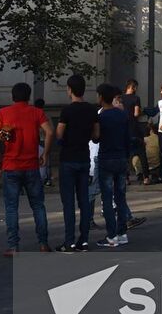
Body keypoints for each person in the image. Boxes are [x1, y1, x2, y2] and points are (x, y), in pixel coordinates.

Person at [0, 82, 54, 257]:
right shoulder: (36, 112)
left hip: (11, 166)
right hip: (31, 166)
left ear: (12, 96)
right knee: (38, 206)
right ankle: (43, 244)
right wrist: (46, 154)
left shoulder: (3, 113)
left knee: (11, 208)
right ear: (29, 96)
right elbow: (49, 132)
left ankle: (14, 246)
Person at [56, 74, 99, 252]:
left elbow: (59, 133)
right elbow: (96, 135)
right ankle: (84, 239)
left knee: (68, 202)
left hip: (68, 159)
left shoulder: (67, 111)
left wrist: (65, 140)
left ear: (70, 90)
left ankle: (69, 241)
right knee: (84, 200)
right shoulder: (91, 110)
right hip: (84, 157)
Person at [96, 82, 132, 248]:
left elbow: (96, 138)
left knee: (107, 197)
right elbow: (127, 138)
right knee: (120, 196)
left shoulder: (101, 117)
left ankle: (111, 235)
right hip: (121, 157)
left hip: (106, 157)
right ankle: (122, 232)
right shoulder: (122, 115)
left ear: (102, 98)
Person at [121, 79, 150, 184]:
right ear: (132, 87)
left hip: (124, 128)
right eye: (135, 87)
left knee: (126, 155)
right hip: (135, 128)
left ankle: (126, 177)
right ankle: (146, 177)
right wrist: (141, 111)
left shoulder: (121, 99)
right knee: (142, 153)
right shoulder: (136, 98)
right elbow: (136, 113)